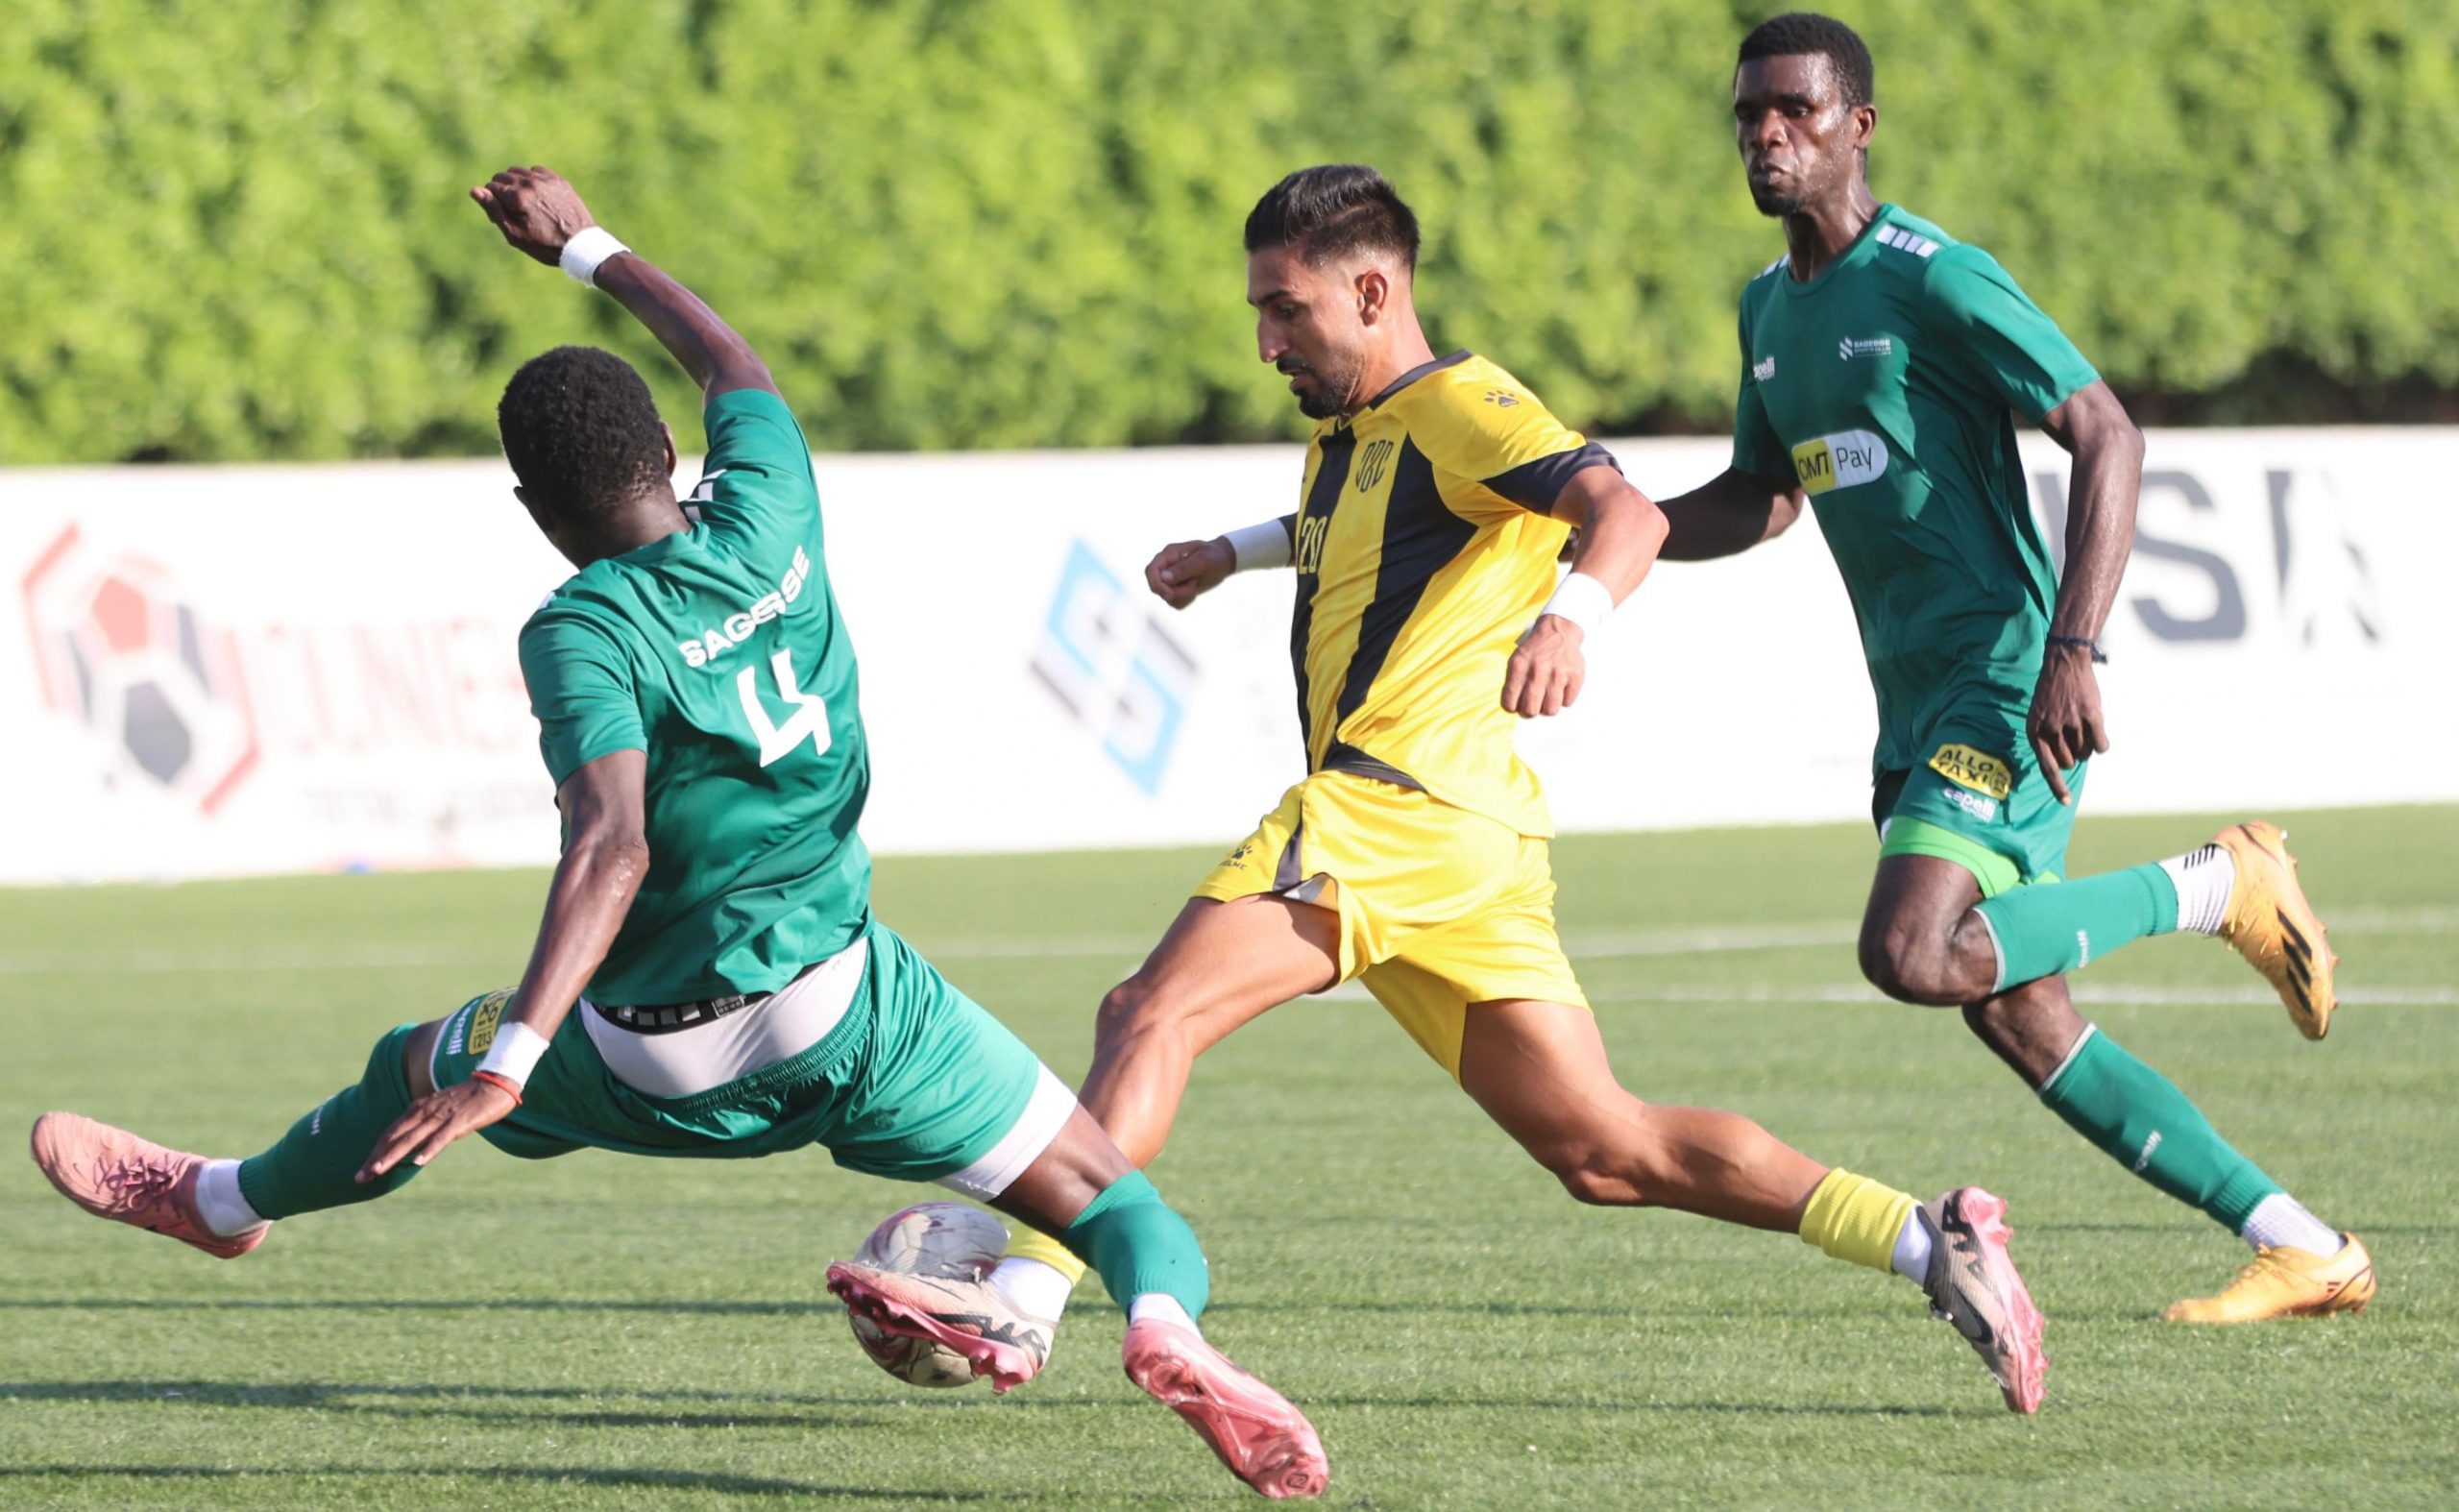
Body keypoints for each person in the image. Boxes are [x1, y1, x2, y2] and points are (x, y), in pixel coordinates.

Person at [28, 165, 1327, 1501]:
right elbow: (729, 361)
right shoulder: (770, 505)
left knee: (415, 1063)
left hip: (652, 1057)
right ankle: (1164, 1329)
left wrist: (513, 1058)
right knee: (1118, 1206)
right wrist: (583, 243)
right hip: (854, 1013)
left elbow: (612, 843)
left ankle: (221, 1202)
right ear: (666, 447)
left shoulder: (581, 629)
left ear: (536, 514)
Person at [941, 163, 2047, 1415]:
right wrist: (1231, 552)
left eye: (1286, 309)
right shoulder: (1361, 431)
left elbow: (1622, 512)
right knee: (1606, 1148)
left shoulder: (1461, 404)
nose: (1265, 343)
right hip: (1467, 841)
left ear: (1373, 293)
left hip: (1394, 802)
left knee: (1150, 1009)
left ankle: (1020, 1294)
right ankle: (1926, 1236)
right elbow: (1360, 529)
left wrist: (1571, 620)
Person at [1647, 12, 2374, 1324]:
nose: (1767, 135)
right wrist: (1611, 530)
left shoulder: (1935, 277)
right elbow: (1765, 495)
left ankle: (2221, 883)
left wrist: (2073, 648)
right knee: (2019, 1015)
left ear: (1858, 127)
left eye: (1797, 111)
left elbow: (2108, 431)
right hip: (1910, 704)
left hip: (2004, 677)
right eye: (1750, 113)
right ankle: (2305, 1244)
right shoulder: (1766, 309)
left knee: (1910, 948)